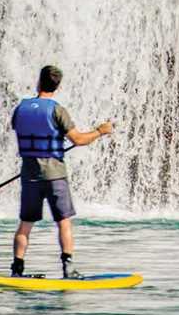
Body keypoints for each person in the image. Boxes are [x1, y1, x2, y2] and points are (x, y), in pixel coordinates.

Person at [9, 64, 114, 279]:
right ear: (57, 86)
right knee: (63, 222)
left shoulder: (21, 108)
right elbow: (78, 140)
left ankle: (17, 269)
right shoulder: (57, 110)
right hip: (55, 174)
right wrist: (100, 132)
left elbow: (18, 128)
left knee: (25, 224)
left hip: (29, 175)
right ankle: (68, 268)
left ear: (38, 81)